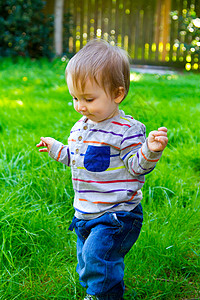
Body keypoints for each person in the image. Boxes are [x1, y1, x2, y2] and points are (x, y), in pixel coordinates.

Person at [36, 39, 168, 300]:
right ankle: (103, 287)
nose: (80, 106)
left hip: (117, 214)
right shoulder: (80, 126)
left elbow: (136, 166)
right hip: (85, 211)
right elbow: (76, 159)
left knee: (99, 258)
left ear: (117, 94)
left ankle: (103, 296)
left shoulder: (127, 130)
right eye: (74, 98)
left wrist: (150, 149)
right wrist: (55, 149)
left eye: (88, 98)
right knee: (86, 262)